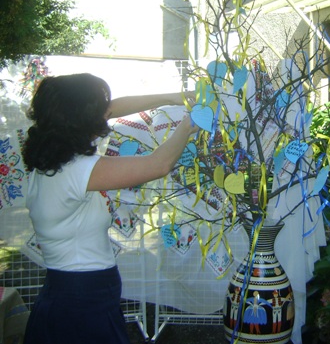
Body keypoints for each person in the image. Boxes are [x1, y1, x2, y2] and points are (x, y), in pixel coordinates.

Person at [21, 73, 198, 344]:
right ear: (79, 117)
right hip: (80, 301)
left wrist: (174, 97)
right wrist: (190, 122)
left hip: (76, 294)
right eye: (96, 109)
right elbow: (157, 165)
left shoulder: (52, 162)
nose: (105, 113)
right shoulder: (77, 170)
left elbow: (114, 107)